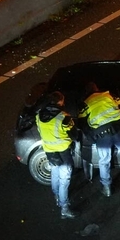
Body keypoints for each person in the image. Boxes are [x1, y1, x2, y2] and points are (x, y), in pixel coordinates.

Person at [80, 82, 120, 197]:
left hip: (102, 136)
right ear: (97, 88)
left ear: (87, 92)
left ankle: (107, 189)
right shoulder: (107, 95)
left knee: (104, 162)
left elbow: (82, 122)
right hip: (118, 131)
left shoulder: (85, 103)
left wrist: (92, 136)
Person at [36, 91, 77, 219]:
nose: (63, 103)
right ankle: (64, 209)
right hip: (63, 152)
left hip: (49, 151)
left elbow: (40, 130)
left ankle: (57, 196)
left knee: (55, 173)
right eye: (63, 101)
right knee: (65, 180)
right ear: (59, 102)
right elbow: (73, 134)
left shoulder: (39, 115)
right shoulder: (63, 117)